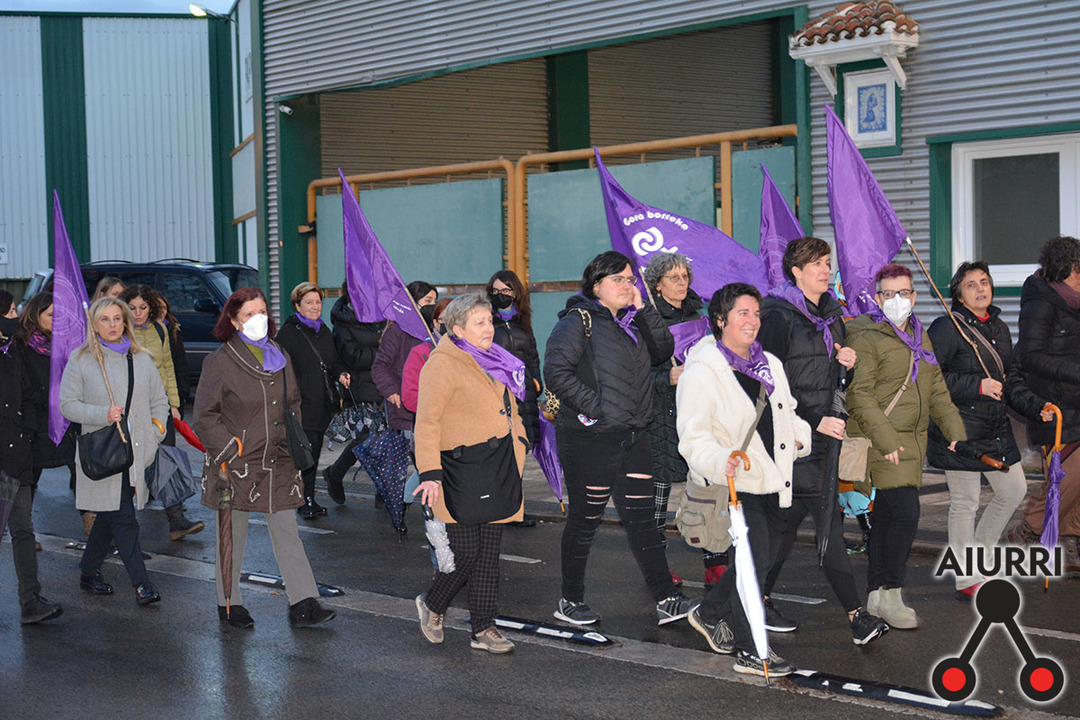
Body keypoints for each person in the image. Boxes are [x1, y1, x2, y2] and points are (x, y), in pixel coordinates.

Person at [544, 251, 694, 627]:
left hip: (634, 435)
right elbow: (556, 371)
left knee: (643, 520)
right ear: (596, 286)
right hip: (590, 439)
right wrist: (597, 407)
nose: (627, 285)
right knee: (585, 520)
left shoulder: (629, 322)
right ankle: (570, 600)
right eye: (618, 280)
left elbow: (663, 350)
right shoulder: (576, 322)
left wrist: (643, 309)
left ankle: (666, 598)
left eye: (630, 279)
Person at [757, 237, 888, 645]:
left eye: (827, 262)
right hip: (792, 438)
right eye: (816, 263)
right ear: (796, 271)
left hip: (826, 435)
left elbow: (831, 379)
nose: (825, 270)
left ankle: (754, 597)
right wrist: (815, 421)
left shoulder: (831, 315)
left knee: (784, 525)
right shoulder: (777, 315)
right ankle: (856, 615)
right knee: (827, 521)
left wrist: (845, 363)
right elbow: (771, 380)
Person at [677, 283, 810, 677]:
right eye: (742, 313)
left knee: (757, 561)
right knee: (753, 565)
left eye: (756, 313)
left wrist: (799, 437)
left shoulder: (770, 363)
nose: (752, 321)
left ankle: (709, 612)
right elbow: (693, 436)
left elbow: (787, 412)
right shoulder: (703, 370)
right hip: (736, 483)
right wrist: (722, 460)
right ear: (720, 320)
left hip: (775, 478)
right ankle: (753, 652)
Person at [193, 287, 336, 629]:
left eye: (261, 312)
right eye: (248, 314)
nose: (257, 319)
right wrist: (230, 449)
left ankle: (303, 601)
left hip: (279, 459)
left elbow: (293, 402)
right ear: (233, 321)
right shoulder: (220, 362)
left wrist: (294, 438)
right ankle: (229, 603)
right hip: (236, 464)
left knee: (288, 531)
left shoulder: (279, 354)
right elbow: (204, 417)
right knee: (232, 536)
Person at [845, 264, 966, 629]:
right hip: (882, 440)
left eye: (903, 293)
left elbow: (936, 386)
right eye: (888, 293)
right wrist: (886, 439)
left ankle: (877, 596)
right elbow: (859, 395)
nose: (896, 300)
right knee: (905, 515)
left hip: (911, 440)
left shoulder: (918, 334)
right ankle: (891, 593)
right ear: (877, 297)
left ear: (913, 296)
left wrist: (953, 426)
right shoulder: (867, 336)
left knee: (886, 520)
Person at [928, 261, 1054, 599]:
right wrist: (977, 386)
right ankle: (966, 578)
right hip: (959, 430)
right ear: (958, 295)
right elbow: (929, 378)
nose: (981, 289)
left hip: (995, 428)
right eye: (971, 284)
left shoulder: (998, 327)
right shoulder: (946, 327)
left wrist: (1036, 407)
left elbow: (1011, 381)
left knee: (1013, 490)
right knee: (965, 503)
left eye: (984, 282)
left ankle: (981, 557)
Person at [413, 293, 528, 654]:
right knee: (464, 553)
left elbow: (511, 408)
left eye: (490, 321)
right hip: (459, 470)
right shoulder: (441, 364)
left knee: (489, 555)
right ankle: (433, 603)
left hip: (498, 465)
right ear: (458, 329)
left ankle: (484, 628)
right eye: (480, 322)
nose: (489, 328)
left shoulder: (497, 358)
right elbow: (426, 422)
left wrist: (519, 441)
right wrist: (429, 473)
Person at [60, 297, 169, 605]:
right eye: (105, 319)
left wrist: (156, 432)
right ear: (95, 324)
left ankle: (88, 571)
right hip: (103, 453)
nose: (112, 325)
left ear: (125, 322)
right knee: (124, 518)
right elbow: (67, 406)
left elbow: (160, 402)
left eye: (117, 319)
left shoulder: (141, 359)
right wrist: (102, 414)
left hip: (136, 453)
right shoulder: (81, 360)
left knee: (110, 514)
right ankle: (142, 584)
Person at [642, 252, 715, 587]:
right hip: (660, 420)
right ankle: (657, 570)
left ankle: (715, 561)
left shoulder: (700, 317)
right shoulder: (647, 321)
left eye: (685, 276)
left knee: (709, 496)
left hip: (697, 415)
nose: (681, 282)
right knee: (657, 503)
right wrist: (665, 378)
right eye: (673, 277)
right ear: (657, 285)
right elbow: (634, 374)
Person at [1009, 236, 1080, 573]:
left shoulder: (1076, 301)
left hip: (1077, 399)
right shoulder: (1041, 301)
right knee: (1065, 480)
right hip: (1055, 404)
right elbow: (1030, 356)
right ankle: (1027, 530)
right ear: (1065, 270)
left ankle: (1071, 539)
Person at [120, 284, 203, 541]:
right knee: (128, 465)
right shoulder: (119, 332)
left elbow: (168, 368)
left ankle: (176, 520)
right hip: (130, 410)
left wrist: (174, 405)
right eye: (132, 308)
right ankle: (118, 526)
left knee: (166, 459)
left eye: (143, 307)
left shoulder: (160, 329)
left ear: (151, 308)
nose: (137, 313)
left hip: (159, 407)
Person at [1, 320, 63, 624]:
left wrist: (28, 432)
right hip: (3, 462)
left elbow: (27, 395)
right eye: (10, 311)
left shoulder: (14, 352)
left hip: (18, 458)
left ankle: (31, 601)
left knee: (23, 530)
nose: (14, 317)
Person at [275, 282, 350, 519]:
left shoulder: (323, 330)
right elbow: (278, 371)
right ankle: (303, 499)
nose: (315, 307)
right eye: (309, 302)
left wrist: (341, 373)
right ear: (297, 305)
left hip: (321, 404)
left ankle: (306, 497)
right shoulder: (288, 334)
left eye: (318, 302)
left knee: (313, 452)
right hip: (299, 405)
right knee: (305, 454)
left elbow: (332, 361)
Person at [370, 280, 437, 519]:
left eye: (435, 301)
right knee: (424, 463)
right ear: (413, 303)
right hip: (405, 408)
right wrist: (391, 391)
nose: (432, 305)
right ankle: (402, 500)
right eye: (428, 301)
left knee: (430, 462)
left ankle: (402, 499)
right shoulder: (397, 332)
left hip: (430, 407)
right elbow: (380, 366)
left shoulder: (433, 333)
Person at [322, 281, 389, 502]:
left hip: (384, 384)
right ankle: (335, 473)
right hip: (360, 387)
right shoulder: (343, 322)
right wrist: (384, 352)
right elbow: (353, 356)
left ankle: (382, 490)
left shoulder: (381, 318)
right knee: (367, 437)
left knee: (384, 437)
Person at [487, 269, 541, 528]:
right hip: (497, 396)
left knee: (520, 449)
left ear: (515, 292)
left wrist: (537, 382)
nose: (501, 295)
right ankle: (503, 508)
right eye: (496, 290)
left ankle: (514, 508)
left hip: (524, 395)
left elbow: (532, 356)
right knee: (501, 453)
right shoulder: (486, 321)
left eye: (506, 290)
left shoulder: (523, 322)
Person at [155, 291, 191, 407]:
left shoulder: (173, 329)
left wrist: (183, 391)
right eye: (157, 307)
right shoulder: (146, 332)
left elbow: (181, 362)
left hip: (174, 389)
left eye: (163, 308)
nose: (161, 311)